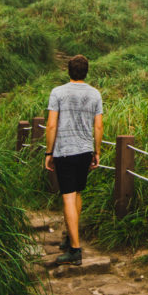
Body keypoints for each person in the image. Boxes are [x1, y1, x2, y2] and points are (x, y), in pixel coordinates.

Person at [44, 55, 103, 265]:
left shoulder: (58, 93)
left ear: (69, 71)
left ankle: (75, 249)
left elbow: (51, 125)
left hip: (65, 151)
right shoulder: (95, 94)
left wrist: (49, 153)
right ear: (86, 72)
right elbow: (98, 126)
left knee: (68, 196)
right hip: (85, 151)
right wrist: (96, 152)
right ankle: (71, 234)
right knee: (77, 193)